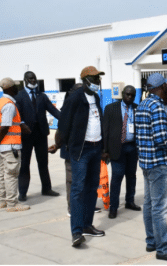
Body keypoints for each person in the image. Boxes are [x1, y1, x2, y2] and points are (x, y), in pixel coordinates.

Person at [135, 73, 167, 262]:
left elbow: (146, 133)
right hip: (158, 164)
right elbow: (160, 139)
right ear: (161, 87)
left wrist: (165, 131)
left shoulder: (142, 105)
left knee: (149, 204)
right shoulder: (156, 106)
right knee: (160, 208)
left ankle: (151, 241)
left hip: (146, 164)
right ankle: (163, 248)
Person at [58, 66, 106, 247]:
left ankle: (87, 224)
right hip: (81, 150)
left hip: (96, 148)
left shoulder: (96, 97)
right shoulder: (75, 98)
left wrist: (103, 147)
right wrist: (61, 143)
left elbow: (97, 119)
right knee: (78, 190)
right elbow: (64, 123)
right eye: (94, 79)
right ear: (85, 80)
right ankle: (76, 232)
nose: (97, 82)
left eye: (98, 79)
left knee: (92, 188)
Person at [15, 71, 61, 201]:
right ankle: (23, 192)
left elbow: (53, 110)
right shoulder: (19, 96)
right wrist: (23, 124)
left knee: (43, 163)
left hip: (41, 134)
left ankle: (46, 188)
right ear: (25, 80)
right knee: (25, 164)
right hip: (26, 135)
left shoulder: (42, 96)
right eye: (31, 79)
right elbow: (17, 115)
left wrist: (65, 119)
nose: (33, 81)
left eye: (35, 78)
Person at [103, 85, 141, 219]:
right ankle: (113, 207)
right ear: (123, 94)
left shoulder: (137, 108)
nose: (129, 97)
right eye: (127, 94)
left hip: (132, 148)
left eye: (132, 95)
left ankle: (130, 201)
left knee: (131, 176)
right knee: (117, 177)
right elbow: (105, 130)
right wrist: (105, 150)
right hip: (117, 148)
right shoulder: (111, 108)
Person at [48, 83, 82, 216]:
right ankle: (71, 207)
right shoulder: (67, 110)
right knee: (72, 181)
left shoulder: (85, 108)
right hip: (70, 152)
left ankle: (85, 204)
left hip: (85, 150)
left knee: (86, 181)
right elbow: (60, 132)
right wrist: (57, 145)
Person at [0, 78, 30, 212]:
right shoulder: (10, 105)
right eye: (16, 87)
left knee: (3, 174)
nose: (18, 89)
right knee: (11, 175)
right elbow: (5, 127)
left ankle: (2, 200)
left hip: (3, 146)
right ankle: (12, 204)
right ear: (11, 89)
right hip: (11, 146)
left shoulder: (2, 102)